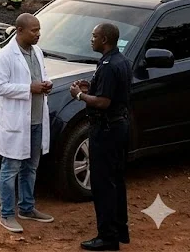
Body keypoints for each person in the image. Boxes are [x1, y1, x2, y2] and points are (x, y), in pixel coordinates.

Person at [71, 23, 132, 251]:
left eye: (94, 36)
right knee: (116, 181)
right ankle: (119, 230)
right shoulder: (121, 60)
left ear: (104, 39)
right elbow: (113, 92)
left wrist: (79, 95)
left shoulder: (108, 65)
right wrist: (92, 87)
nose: (91, 39)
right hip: (119, 127)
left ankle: (107, 236)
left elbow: (104, 102)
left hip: (106, 130)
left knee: (103, 184)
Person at [0, 13, 54, 233]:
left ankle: (27, 208)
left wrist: (46, 84)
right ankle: (6, 214)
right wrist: (28, 88)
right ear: (19, 30)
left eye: (39, 30)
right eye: (34, 30)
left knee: (31, 167)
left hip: (36, 120)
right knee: (10, 169)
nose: (38, 34)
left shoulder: (37, 52)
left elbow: (41, 75)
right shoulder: (6, 55)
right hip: (17, 123)